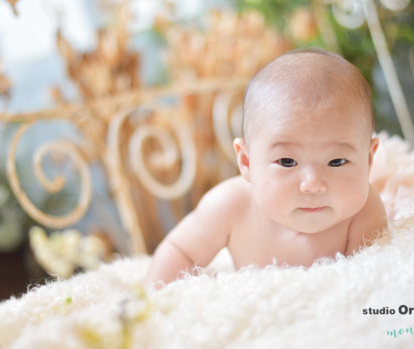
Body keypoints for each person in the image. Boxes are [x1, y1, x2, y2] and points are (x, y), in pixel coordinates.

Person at [144, 48, 387, 288]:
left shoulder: (363, 211)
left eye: (336, 161)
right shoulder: (231, 205)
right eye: (287, 162)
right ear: (247, 162)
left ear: (368, 159)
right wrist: (153, 301)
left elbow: (367, 284)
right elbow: (180, 251)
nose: (312, 183)